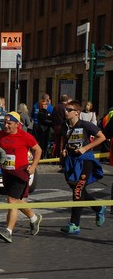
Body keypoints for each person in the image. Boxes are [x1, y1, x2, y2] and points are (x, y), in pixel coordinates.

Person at [0, 111, 42, 243]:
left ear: (17, 124)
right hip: (7, 173)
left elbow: (38, 150)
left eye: (9, 123)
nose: (6, 126)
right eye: (4, 123)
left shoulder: (25, 136)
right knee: (16, 201)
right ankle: (34, 218)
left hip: (20, 172)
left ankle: (8, 231)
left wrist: (33, 166)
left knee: (12, 201)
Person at [59, 100, 107, 235]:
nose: (66, 112)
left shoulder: (86, 125)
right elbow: (64, 140)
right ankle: (99, 208)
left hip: (85, 161)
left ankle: (74, 224)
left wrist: (85, 148)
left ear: (77, 112)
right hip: (71, 162)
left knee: (78, 190)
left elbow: (101, 137)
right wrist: (63, 150)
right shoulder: (64, 126)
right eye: (65, 109)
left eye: (69, 110)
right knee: (77, 189)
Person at [51, 94, 71, 158]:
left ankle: (54, 155)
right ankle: (61, 155)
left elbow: (52, 117)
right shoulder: (65, 108)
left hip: (56, 126)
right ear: (67, 100)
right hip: (63, 126)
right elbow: (66, 118)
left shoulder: (55, 107)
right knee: (62, 142)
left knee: (56, 142)